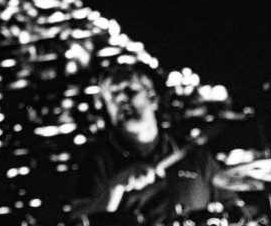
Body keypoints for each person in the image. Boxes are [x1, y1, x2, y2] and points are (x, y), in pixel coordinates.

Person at [70, 66, 225, 225]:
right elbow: (78, 220)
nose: (122, 99)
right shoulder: (96, 161)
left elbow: (232, 209)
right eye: (113, 95)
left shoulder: (196, 156)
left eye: (130, 91)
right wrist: (116, 186)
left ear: (152, 98)